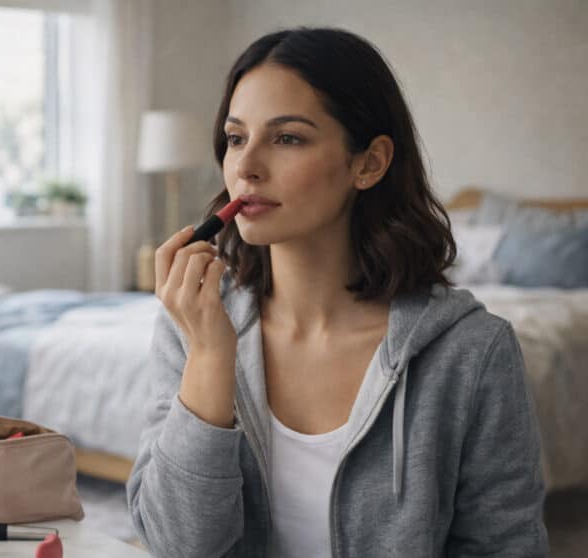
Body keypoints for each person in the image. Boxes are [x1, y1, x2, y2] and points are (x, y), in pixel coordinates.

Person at [126, 27, 547, 557]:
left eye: (287, 138)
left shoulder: (473, 352)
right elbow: (178, 545)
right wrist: (210, 356)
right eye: (236, 138)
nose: (247, 166)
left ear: (368, 163)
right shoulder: (192, 325)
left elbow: (506, 547)